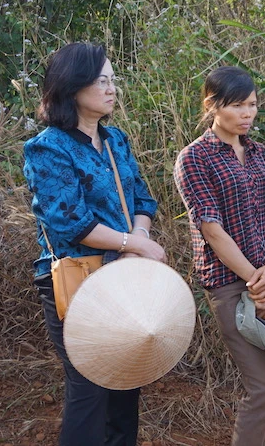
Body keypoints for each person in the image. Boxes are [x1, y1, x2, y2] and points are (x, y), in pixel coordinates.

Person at [23, 42, 167, 445]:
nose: (111, 88)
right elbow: (70, 221)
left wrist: (139, 237)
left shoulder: (116, 139)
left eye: (112, 80)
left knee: (125, 382)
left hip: (122, 275)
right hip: (80, 278)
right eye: (101, 80)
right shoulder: (48, 147)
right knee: (89, 387)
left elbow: (142, 198)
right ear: (73, 86)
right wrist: (132, 243)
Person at [173, 66, 265, 446]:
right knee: (262, 388)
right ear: (212, 106)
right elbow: (211, 229)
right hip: (230, 285)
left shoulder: (260, 153)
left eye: (252, 104)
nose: (248, 113)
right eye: (238, 105)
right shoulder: (194, 158)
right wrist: (256, 280)